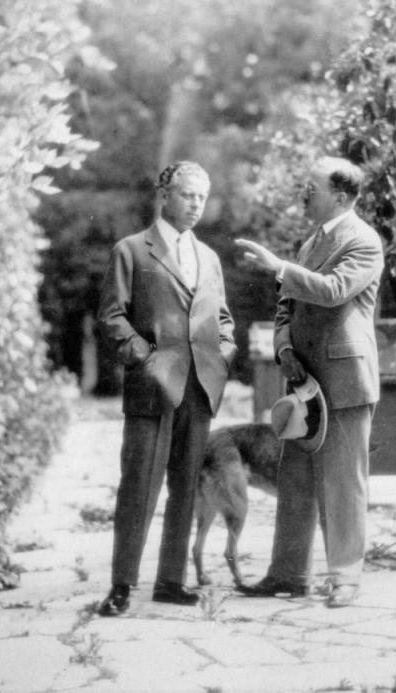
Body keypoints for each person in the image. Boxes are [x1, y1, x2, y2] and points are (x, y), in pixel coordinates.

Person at [234, 156, 384, 608]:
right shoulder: (309, 244)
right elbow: (287, 308)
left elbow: (333, 290)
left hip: (343, 381)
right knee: (295, 480)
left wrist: (277, 266)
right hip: (303, 382)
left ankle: (345, 578)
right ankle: (288, 574)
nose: (303, 194)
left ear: (340, 196)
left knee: (343, 482)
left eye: (311, 187)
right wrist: (283, 350)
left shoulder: (364, 241)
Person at [95, 161, 237, 616]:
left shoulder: (209, 257)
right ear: (165, 195)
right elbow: (112, 317)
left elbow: (224, 319)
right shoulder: (132, 251)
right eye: (187, 195)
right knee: (139, 486)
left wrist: (224, 353)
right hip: (153, 387)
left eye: (202, 197)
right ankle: (122, 585)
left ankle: (171, 582)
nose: (196, 204)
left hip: (199, 388)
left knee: (185, 487)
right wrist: (146, 359)